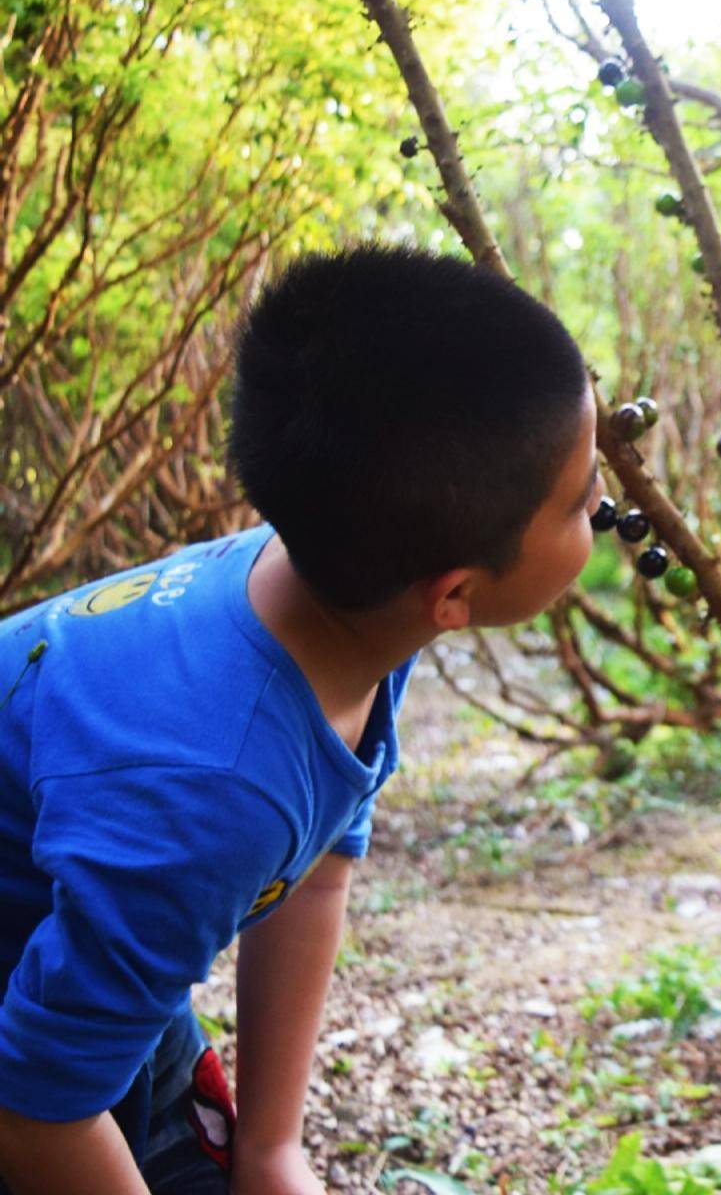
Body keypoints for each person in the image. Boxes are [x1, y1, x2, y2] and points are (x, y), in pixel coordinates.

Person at [0, 243, 604, 1194]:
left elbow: (316, 875)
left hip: (75, 959)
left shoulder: (335, 600)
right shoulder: (210, 790)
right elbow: (37, 1107)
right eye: (584, 498)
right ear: (455, 594)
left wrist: (271, 1149)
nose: (603, 508)